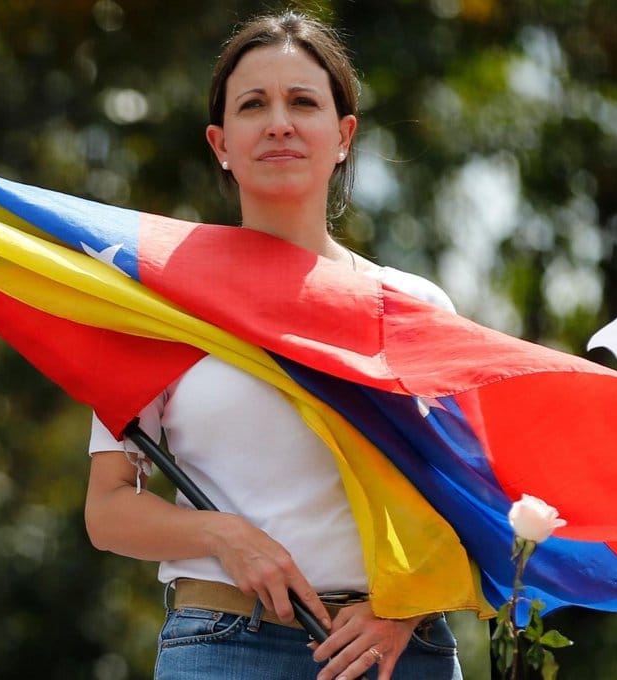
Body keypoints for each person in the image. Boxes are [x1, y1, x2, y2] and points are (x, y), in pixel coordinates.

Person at [84, 11, 462, 680]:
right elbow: (108, 508)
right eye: (253, 104)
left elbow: (473, 501)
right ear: (220, 142)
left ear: (344, 136)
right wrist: (222, 534)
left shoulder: (414, 307)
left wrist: (403, 612)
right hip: (225, 645)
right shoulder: (162, 302)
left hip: (402, 652)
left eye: (303, 102)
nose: (279, 123)